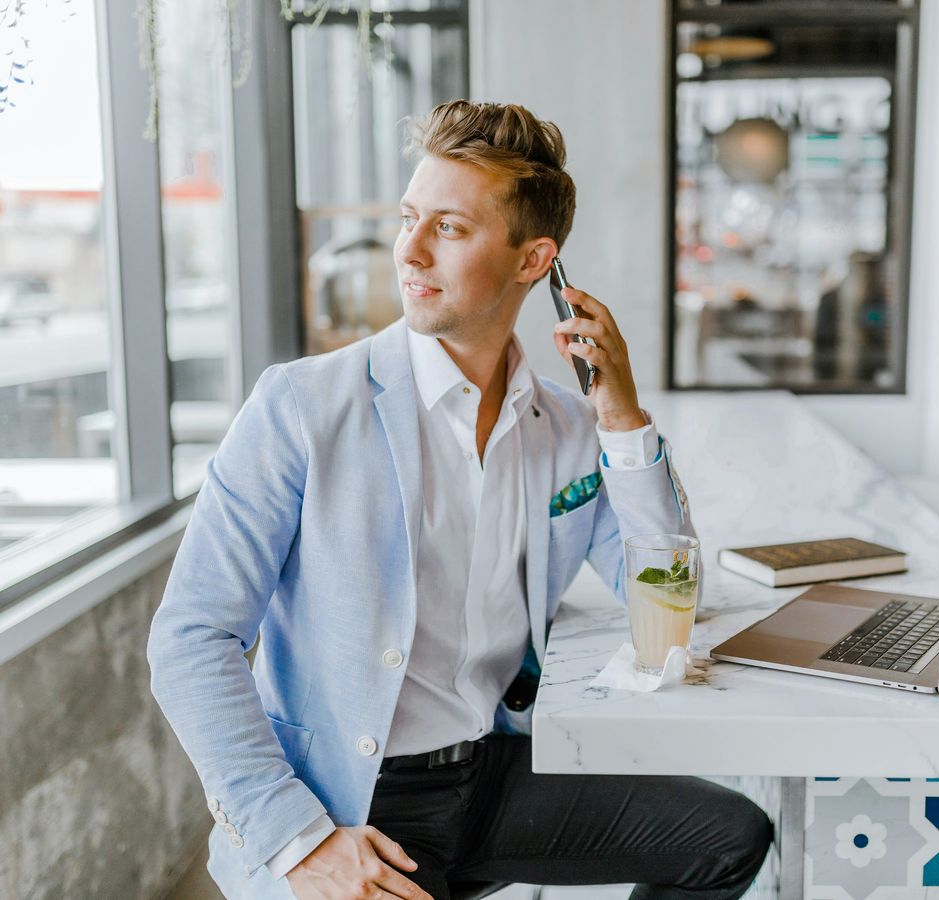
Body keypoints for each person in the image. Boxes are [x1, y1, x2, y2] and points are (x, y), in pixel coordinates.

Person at [147, 100, 773, 900]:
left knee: (728, 839)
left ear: (532, 260)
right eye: (410, 218)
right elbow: (192, 639)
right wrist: (298, 839)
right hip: (352, 806)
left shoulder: (569, 427)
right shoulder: (301, 407)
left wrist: (621, 416)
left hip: (491, 773)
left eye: (448, 227)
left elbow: (668, 600)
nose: (407, 249)